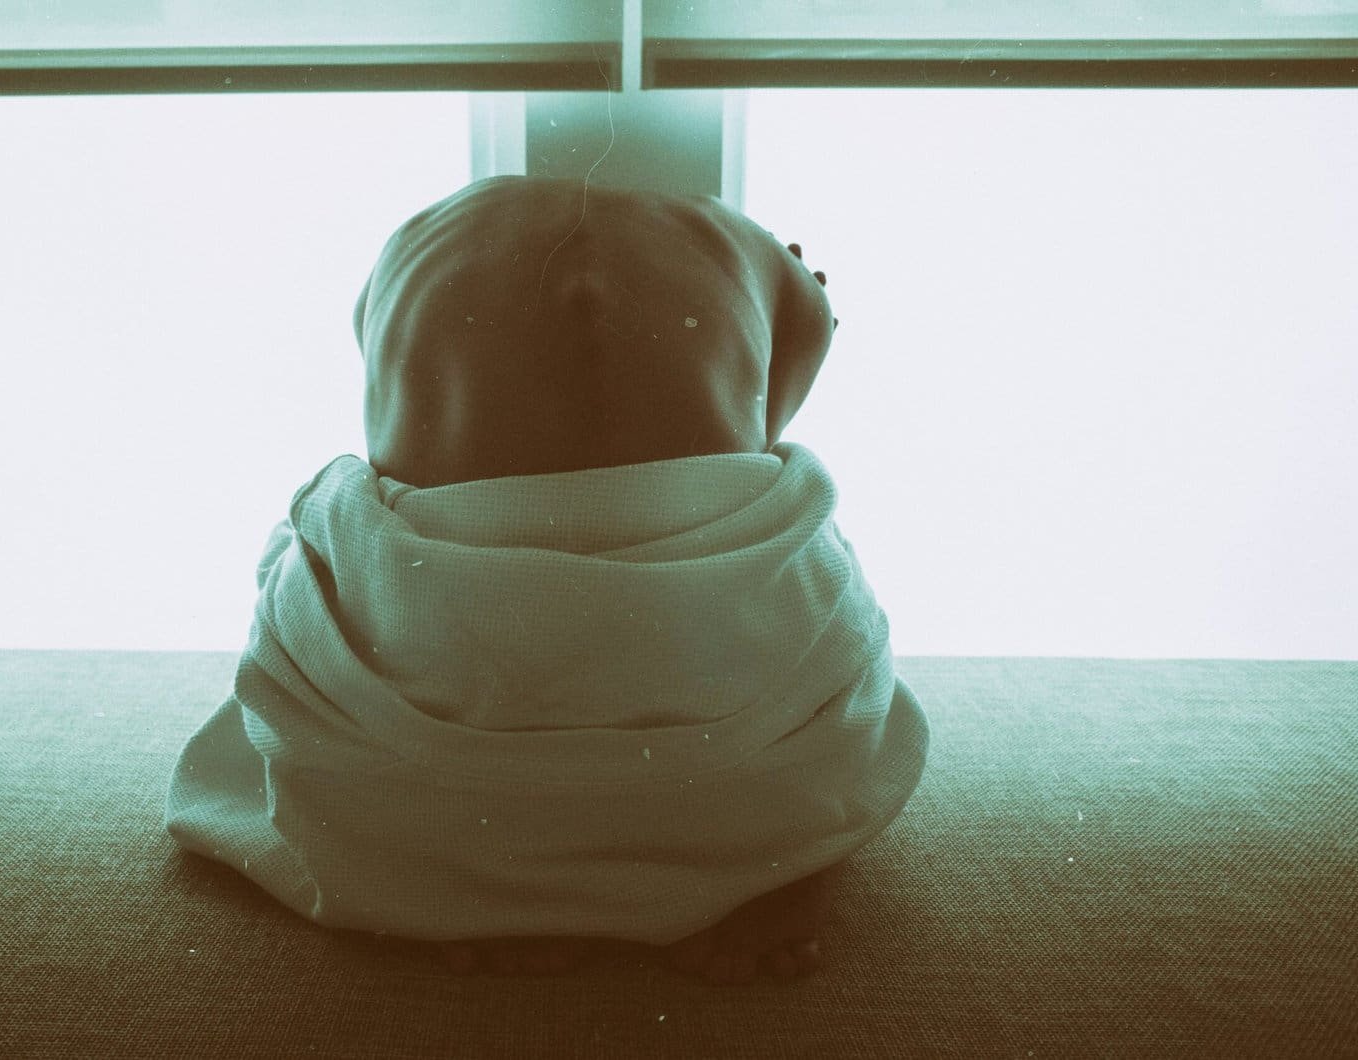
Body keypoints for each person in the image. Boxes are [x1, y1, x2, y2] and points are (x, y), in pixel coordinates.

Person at [166, 175, 927, 985]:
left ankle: (440, 886)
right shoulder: (750, 247)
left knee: (325, 522)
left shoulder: (416, 241)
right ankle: (759, 863)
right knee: (786, 523)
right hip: (705, 690)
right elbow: (754, 445)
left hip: (443, 687)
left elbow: (393, 451)